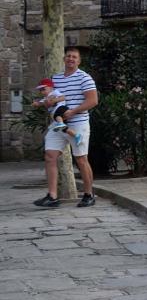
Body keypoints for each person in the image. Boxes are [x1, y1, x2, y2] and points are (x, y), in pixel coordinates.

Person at [34, 47, 98, 208]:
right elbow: (51, 98)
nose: (71, 59)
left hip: (78, 123)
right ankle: (52, 196)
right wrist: (47, 103)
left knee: (81, 159)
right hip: (58, 124)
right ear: (64, 59)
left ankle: (89, 194)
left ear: (79, 60)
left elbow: (93, 101)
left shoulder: (85, 78)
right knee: (50, 156)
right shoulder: (55, 78)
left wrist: (73, 111)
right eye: (68, 56)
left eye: (74, 57)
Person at [32, 78, 82, 147]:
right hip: (57, 114)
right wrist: (36, 104)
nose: (42, 92)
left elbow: (63, 97)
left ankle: (60, 123)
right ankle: (76, 135)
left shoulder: (54, 92)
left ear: (51, 88)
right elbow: (40, 103)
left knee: (57, 116)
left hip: (61, 108)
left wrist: (54, 100)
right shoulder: (45, 98)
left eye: (44, 89)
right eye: (40, 90)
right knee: (64, 129)